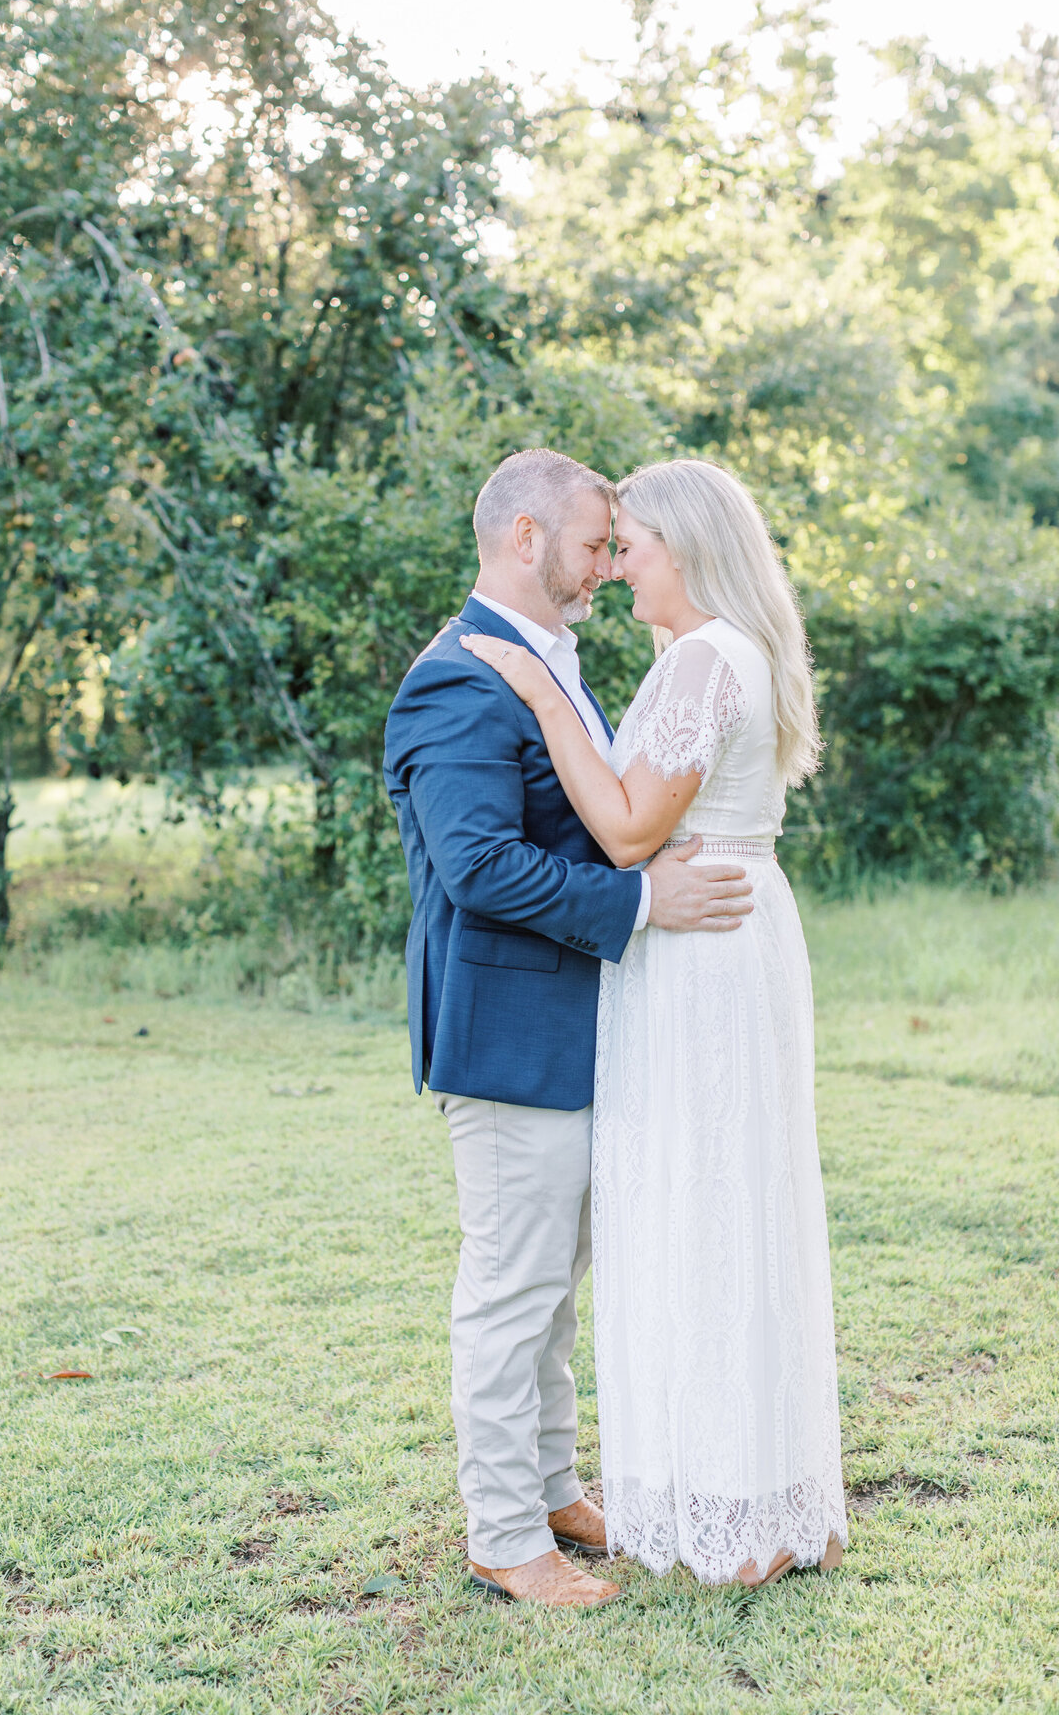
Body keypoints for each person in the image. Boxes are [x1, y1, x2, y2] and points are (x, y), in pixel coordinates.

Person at [462, 457, 847, 1588]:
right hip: (734, 934)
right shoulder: (740, 651)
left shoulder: (698, 657)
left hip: (695, 952)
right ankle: (773, 1500)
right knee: (743, 1200)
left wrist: (538, 692)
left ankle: (733, 1506)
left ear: (684, 547)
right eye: (606, 543)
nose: (616, 563)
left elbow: (630, 832)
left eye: (628, 544)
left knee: (703, 1206)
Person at [383, 449, 756, 1609]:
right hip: (506, 1036)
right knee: (511, 1285)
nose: (608, 565)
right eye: (598, 543)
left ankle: (550, 1487)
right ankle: (503, 1534)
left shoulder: (549, 664)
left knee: (555, 1284)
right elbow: (480, 865)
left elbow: (595, 814)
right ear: (530, 537)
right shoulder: (456, 679)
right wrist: (646, 902)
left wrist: (652, 855)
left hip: (579, 1028)